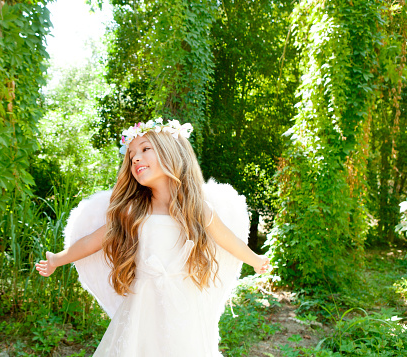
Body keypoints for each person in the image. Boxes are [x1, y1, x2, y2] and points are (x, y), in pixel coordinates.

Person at [35, 119, 269, 356]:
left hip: (184, 304)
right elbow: (92, 241)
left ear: (171, 152)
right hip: (143, 305)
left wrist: (255, 260)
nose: (136, 158)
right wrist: (57, 259)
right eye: (131, 155)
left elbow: (229, 240)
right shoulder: (133, 210)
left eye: (145, 149)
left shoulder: (197, 209)